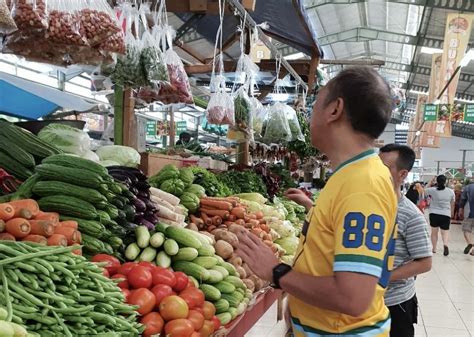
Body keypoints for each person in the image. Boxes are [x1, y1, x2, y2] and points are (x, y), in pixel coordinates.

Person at [235, 66, 398, 336]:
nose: (309, 115)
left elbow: (353, 298)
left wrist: (276, 272)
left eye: (315, 104)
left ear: (334, 109)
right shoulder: (352, 175)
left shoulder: (362, 185)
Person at [379, 144, 432, 337]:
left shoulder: (410, 215)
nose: (376, 171)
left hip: (394, 303)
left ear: (402, 175)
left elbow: (425, 262)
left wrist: (383, 277)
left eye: (384, 167)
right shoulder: (367, 204)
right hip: (363, 302)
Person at [425, 175, 455, 256]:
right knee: (444, 232)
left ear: (436, 181)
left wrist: (431, 181)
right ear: (445, 182)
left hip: (434, 213)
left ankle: (434, 248)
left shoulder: (432, 190)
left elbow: (423, 190)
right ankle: (445, 244)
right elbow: (452, 203)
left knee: (434, 232)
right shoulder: (451, 191)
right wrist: (451, 213)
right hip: (446, 214)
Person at [459, 180, 474, 255]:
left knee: (466, 230)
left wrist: (461, 209)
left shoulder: (467, 187)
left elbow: (462, 199)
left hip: (469, 212)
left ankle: (470, 243)